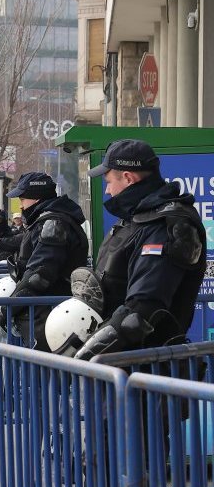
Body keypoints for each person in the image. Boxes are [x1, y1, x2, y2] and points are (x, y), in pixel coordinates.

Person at [74, 140, 207, 360]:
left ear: (128, 177)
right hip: (123, 361)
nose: (107, 190)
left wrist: (86, 354)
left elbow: (142, 309)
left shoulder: (166, 225)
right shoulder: (136, 219)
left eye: (108, 181)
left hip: (147, 365)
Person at [0, 173, 89, 349]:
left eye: (22, 199)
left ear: (36, 197)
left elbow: (39, 275)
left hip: (49, 314)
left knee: (45, 373)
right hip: (47, 312)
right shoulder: (47, 221)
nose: (21, 205)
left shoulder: (53, 223)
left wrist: (9, 308)